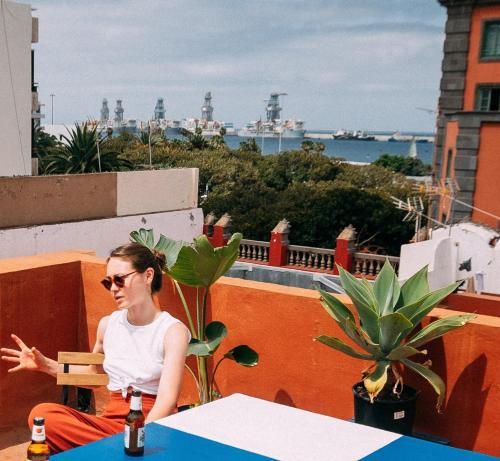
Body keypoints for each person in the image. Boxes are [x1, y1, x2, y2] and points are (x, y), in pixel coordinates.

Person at [0, 243, 190, 453]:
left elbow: (167, 400)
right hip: (109, 425)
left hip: (149, 423)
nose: (114, 288)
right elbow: (93, 375)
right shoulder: (108, 325)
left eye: (120, 279)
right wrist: (45, 365)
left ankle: (110, 452)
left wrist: (138, 441)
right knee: (43, 415)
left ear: (148, 276)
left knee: (54, 446)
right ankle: (112, 452)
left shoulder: (172, 332)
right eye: (108, 283)